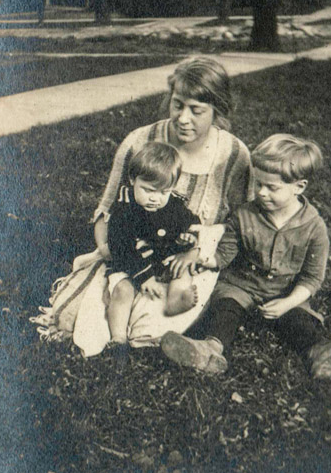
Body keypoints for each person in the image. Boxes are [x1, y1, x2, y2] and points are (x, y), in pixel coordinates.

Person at [32, 57, 253, 356]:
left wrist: (197, 252)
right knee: (81, 316)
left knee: (157, 318)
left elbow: (243, 224)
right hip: (131, 249)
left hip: (189, 258)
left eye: (196, 110)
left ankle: (152, 333)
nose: (183, 118)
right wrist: (113, 252)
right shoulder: (140, 141)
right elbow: (107, 210)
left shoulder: (234, 155)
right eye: (178, 105)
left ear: (217, 110)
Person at [161, 134, 331, 377]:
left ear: (299, 187)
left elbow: (312, 279)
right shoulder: (244, 215)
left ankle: (322, 354)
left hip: (284, 292)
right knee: (225, 307)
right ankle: (208, 350)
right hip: (241, 286)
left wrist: (288, 302)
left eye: (271, 187)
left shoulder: (314, 227)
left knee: (298, 320)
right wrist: (199, 257)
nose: (261, 192)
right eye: (258, 184)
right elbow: (223, 255)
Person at [106, 142, 203, 344]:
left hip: (162, 259)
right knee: (122, 290)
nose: (155, 199)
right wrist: (145, 278)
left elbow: (193, 222)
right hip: (131, 263)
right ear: (133, 180)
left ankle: (175, 300)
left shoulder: (173, 203)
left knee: (182, 269)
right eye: (149, 190)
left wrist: (190, 242)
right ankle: (118, 337)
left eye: (163, 192)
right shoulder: (124, 208)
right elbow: (121, 248)